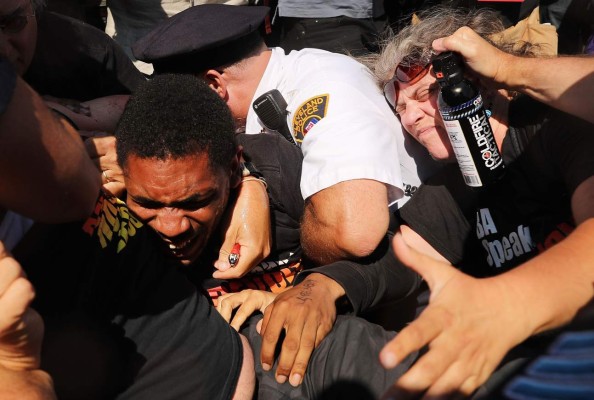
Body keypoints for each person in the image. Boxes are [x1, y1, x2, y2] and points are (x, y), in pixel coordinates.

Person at [18, 73, 417, 399]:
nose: (172, 226)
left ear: (234, 167)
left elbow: (404, 256)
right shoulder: (106, 222)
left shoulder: (276, 169)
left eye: (196, 201)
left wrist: (321, 288)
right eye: (150, 205)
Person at [358, 6, 594, 398]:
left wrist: (501, 303)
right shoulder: (449, 188)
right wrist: (320, 287)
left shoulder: (553, 128)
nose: (411, 118)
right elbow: (395, 260)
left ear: (479, 79)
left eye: (427, 95)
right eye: (401, 109)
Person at [132, 3, 439, 267]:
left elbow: (354, 234)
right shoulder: (277, 80)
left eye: (181, 101)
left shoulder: (320, 91)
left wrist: (286, 222)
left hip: (417, 277)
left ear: (214, 86)